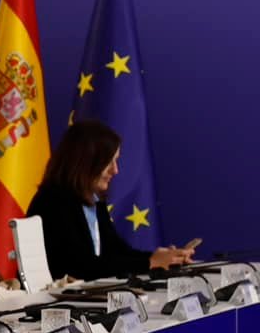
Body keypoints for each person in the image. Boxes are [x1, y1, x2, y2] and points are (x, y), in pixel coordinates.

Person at [27, 120, 198, 282]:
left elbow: (116, 252)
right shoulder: (53, 202)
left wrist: (164, 258)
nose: (115, 171)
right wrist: (149, 262)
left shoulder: (92, 200)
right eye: (109, 162)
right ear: (85, 162)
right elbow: (81, 267)